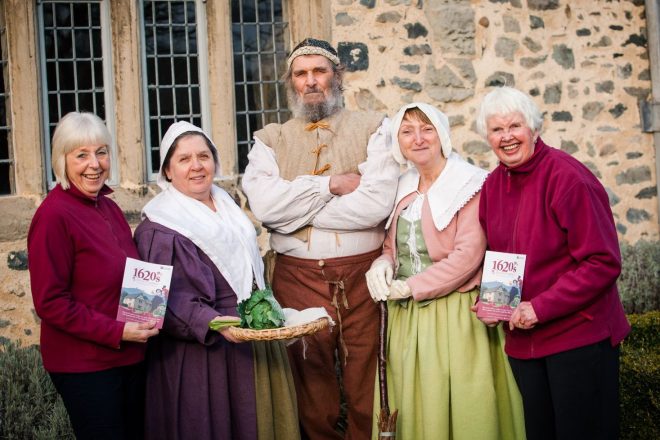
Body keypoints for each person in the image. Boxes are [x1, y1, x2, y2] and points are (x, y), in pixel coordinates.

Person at [242, 38, 400, 439]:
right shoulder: (270, 139)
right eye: (301, 74)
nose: (311, 81)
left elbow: (376, 204)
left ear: (337, 76)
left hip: (363, 278)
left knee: (369, 377)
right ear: (291, 82)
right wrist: (330, 184)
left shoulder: (374, 127)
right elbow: (266, 208)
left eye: (319, 71)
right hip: (297, 278)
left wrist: (295, 208)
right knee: (310, 384)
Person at [475, 86, 631, 440]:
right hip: (524, 344)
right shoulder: (493, 185)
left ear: (533, 128)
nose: (507, 137)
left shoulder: (569, 178)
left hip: (579, 338)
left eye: (514, 126)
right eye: (497, 130)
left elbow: (602, 262)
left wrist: (540, 307)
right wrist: (492, 303)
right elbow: (499, 257)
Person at [365, 103, 526, 440]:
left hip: (453, 316)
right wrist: (383, 264)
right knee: (412, 404)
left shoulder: (468, 183)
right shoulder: (403, 185)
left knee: (461, 405)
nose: (418, 139)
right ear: (398, 141)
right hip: (406, 320)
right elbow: (394, 246)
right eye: (407, 131)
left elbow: (467, 255)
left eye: (427, 129)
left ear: (442, 135)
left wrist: (410, 287)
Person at [134, 121, 299, 440]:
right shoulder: (157, 226)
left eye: (203, 156)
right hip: (201, 352)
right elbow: (153, 304)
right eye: (184, 159)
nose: (196, 166)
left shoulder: (227, 205)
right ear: (168, 170)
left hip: (247, 338)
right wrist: (213, 322)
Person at [27, 112, 159, 440]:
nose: (94, 164)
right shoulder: (53, 216)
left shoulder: (108, 207)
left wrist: (148, 311)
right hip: (85, 365)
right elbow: (51, 303)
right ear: (62, 161)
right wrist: (119, 330)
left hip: (127, 355)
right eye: (81, 155)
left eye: (101, 152)